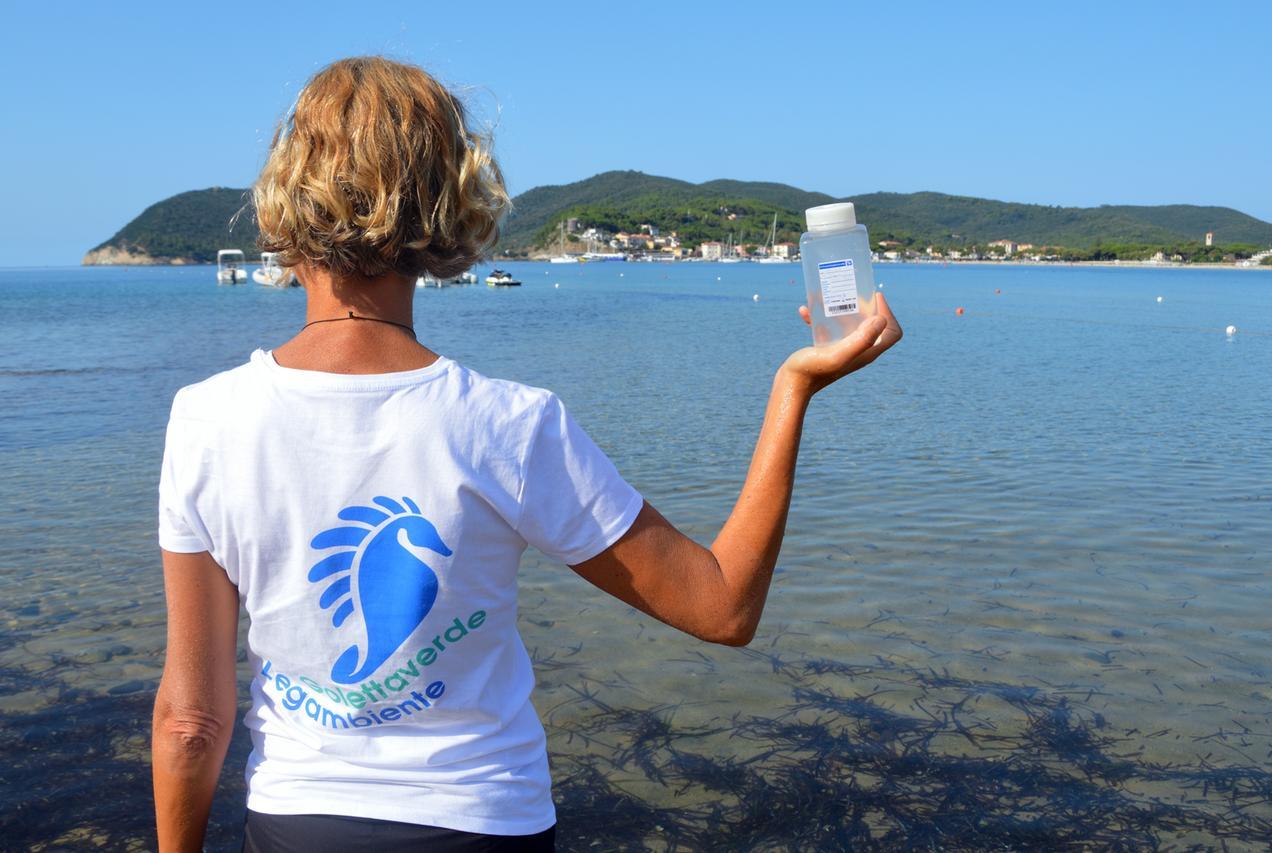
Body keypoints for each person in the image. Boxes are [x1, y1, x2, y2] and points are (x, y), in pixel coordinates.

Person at [151, 56, 901, 853]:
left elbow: (192, 722)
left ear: (287, 196)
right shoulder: (507, 423)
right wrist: (793, 390)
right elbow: (723, 606)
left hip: (298, 823)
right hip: (484, 823)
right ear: (446, 204)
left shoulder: (206, 420)